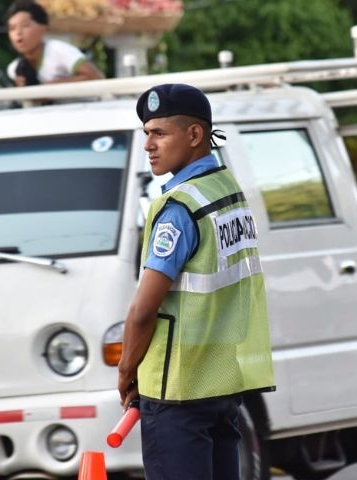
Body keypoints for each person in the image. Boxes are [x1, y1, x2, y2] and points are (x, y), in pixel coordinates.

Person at [118, 84, 276, 479]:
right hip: (220, 383)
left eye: (159, 133)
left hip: (178, 390)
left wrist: (126, 369)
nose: (149, 146)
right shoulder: (227, 191)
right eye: (146, 134)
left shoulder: (180, 208)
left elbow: (143, 309)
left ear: (194, 135)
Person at [5, 0, 103, 86]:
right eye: (12, 28)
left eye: (25, 26)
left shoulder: (58, 50)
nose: (18, 33)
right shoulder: (15, 68)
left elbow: (95, 77)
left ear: (44, 28)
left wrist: (52, 87)